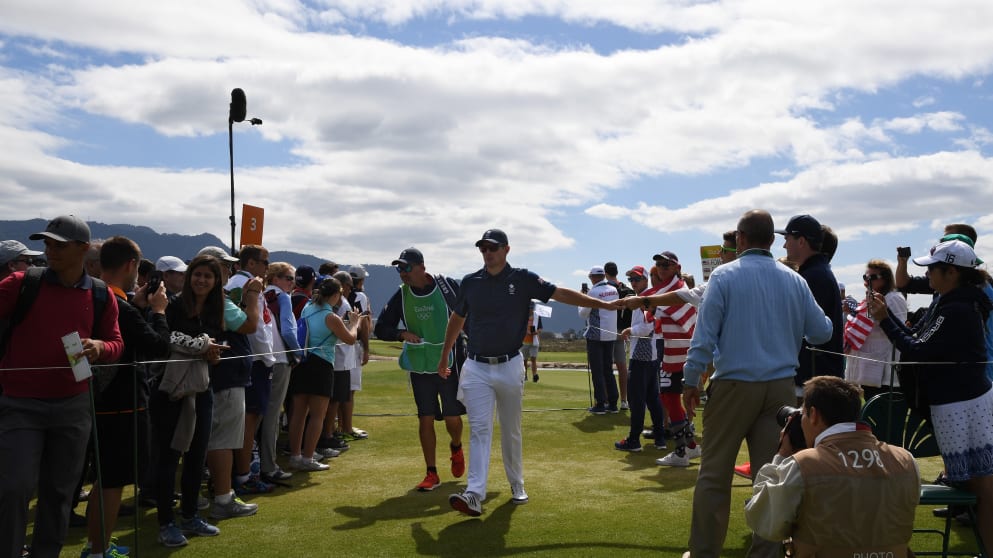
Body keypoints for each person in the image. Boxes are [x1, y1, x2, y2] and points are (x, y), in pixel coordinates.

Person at [680, 210, 833, 558]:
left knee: (714, 475)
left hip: (733, 385)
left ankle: (705, 551)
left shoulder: (724, 275)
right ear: (771, 240)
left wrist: (691, 378)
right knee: (770, 477)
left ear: (742, 238)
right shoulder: (796, 280)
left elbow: (704, 336)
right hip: (780, 388)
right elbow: (822, 331)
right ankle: (767, 552)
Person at [438, 228, 618, 517]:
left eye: (492, 248)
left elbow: (559, 293)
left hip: (510, 364)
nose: (487, 253)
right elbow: (457, 318)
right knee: (480, 430)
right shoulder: (470, 283)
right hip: (476, 365)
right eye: (483, 249)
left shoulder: (523, 279)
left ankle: (516, 483)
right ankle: (474, 493)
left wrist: (602, 304)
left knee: (511, 429)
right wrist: (445, 354)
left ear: (506, 250)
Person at [0, 215, 124, 558]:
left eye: (58, 244)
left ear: (83, 250)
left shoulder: (101, 294)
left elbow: (116, 343)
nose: (49, 250)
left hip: (73, 404)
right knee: (14, 487)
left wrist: (100, 347)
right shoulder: (21, 283)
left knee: (59, 494)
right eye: (47, 243)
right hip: (19, 402)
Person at [870, 238, 993, 547]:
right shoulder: (948, 300)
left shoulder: (959, 307)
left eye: (933, 270)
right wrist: (888, 319)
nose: (928, 277)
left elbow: (917, 350)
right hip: (955, 403)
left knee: (983, 488)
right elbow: (915, 336)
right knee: (976, 486)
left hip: (963, 405)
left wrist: (885, 320)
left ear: (952, 273)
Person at [744, 376, 919, 557]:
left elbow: (765, 521)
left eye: (802, 413)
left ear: (814, 415)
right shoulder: (906, 460)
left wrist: (782, 455)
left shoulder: (804, 465)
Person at [84, 236, 172, 558]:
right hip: (123, 401)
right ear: (131, 265)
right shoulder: (118, 304)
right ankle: (98, 551)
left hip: (99, 397)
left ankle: (97, 546)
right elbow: (159, 347)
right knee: (112, 482)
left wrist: (139, 307)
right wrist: (159, 311)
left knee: (104, 479)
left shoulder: (96, 296)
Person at [151, 255, 231, 547]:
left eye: (208, 277)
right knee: (169, 457)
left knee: (197, 456)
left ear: (215, 281)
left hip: (201, 387)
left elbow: (216, 347)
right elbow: (163, 338)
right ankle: (165, 522)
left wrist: (210, 352)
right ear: (189, 277)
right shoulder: (171, 305)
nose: (201, 281)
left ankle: (190, 516)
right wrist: (200, 346)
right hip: (170, 390)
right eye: (197, 275)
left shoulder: (215, 309)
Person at [374, 248, 467, 492]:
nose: (401, 273)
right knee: (425, 417)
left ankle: (456, 447)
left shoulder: (446, 286)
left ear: (421, 267)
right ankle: (431, 472)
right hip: (419, 364)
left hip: (448, 362)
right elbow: (381, 328)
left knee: (451, 417)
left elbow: (469, 314)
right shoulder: (402, 294)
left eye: (406, 268)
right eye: (399, 268)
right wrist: (401, 333)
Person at [287, 276, 365, 471]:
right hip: (321, 365)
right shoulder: (330, 316)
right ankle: (307, 458)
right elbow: (349, 339)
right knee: (317, 416)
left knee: (298, 414)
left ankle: (296, 455)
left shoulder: (308, 308)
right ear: (337, 294)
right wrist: (354, 323)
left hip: (303, 363)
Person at [777, 214, 844, 398]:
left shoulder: (814, 277)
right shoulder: (816, 273)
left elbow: (808, 331)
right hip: (815, 377)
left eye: (787, 239)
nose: (784, 245)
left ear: (801, 242)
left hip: (813, 382)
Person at [647, 251, 700, 468]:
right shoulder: (671, 290)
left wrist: (644, 303)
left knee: (669, 398)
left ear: (677, 268)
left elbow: (679, 319)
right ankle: (691, 446)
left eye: (666, 265)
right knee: (671, 398)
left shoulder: (677, 290)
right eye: (659, 265)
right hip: (677, 352)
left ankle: (680, 452)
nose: (661, 268)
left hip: (677, 354)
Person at [614, 265, 666, 453]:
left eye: (636, 279)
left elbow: (647, 326)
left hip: (641, 356)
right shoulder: (644, 298)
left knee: (637, 400)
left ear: (645, 280)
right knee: (653, 398)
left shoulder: (645, 299)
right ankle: (660, 438)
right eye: (631, 280)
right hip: (650, 356)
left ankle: (634, 440)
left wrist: (629, 331)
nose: (633, 283)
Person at [260, 261, 302, 483]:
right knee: (272, 414)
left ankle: (258, 462)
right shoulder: (282, 297)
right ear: (275, 278)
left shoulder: (262, 294)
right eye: (288, 278)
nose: (292, 283)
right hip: (279, 359)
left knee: (260, 413)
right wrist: (298, 354)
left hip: (263, 358)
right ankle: (268, 465)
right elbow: (288, 330)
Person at [844, 260, 907, 401]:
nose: (867, 281)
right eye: (865, 277)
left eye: (872, 278)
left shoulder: (894, 298)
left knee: (883, 416)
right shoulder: (869, 299)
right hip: (871, 370)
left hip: (886, 373)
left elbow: (899, 331)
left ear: (885, 279)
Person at [580, 266, 620, 414]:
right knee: (608, 369)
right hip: (611, 334)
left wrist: (582, 298)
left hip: (596, 334)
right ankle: (613, 403)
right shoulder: (614, 290)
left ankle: (601, 403)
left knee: (597, 370)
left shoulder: (593, 292)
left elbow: (583, 314)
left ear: (592, 277)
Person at [604, 261, 634, 408]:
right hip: (623, 331)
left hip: (608, 331)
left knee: (606, 367)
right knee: (622, 367)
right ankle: (624, 400)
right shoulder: (626, 289)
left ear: (605, 273)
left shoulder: (604, 289)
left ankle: (606, 400)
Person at [520, 301, 543, 383]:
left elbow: (540, 329)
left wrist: (535, 332)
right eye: (529, 308)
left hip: (534, 341)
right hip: (524, 341)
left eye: (532, 308)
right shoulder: (522, 315)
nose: (530, 309)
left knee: (533, 359)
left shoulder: (537, 316)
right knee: (524, 360)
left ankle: (534, 376)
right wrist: (526, 331)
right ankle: (525, 376)